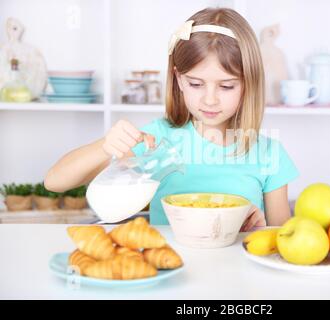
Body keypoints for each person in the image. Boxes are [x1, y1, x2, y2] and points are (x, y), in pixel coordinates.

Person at [45, 7, 299, 231]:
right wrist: (104, 146)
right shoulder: (158, 140)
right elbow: (54, 181)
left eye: (227, 86)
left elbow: (285, 242)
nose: (210, 100)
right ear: (179, 79)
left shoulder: (268, 154)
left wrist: (261, 229)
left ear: (248, 84)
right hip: (170, 274)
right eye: (196, 83)